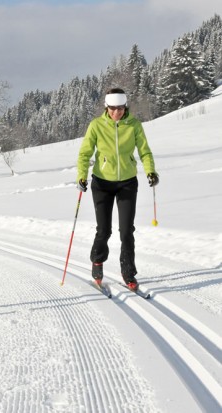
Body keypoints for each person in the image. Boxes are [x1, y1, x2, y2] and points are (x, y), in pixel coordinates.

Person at [76, 88, 159, 292]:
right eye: (113, 108)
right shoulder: (96, 125)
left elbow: (145, 151)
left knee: (126, 231)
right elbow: (85, 153)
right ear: (107, 107)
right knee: (104, 230)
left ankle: (128, 272)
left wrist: (150, 171)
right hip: (102, 183)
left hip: (127, 183)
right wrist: (81, 176)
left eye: (120, 108)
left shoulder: (134, 125)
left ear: (125, 107)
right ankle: (97, 261)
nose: (116, 113)